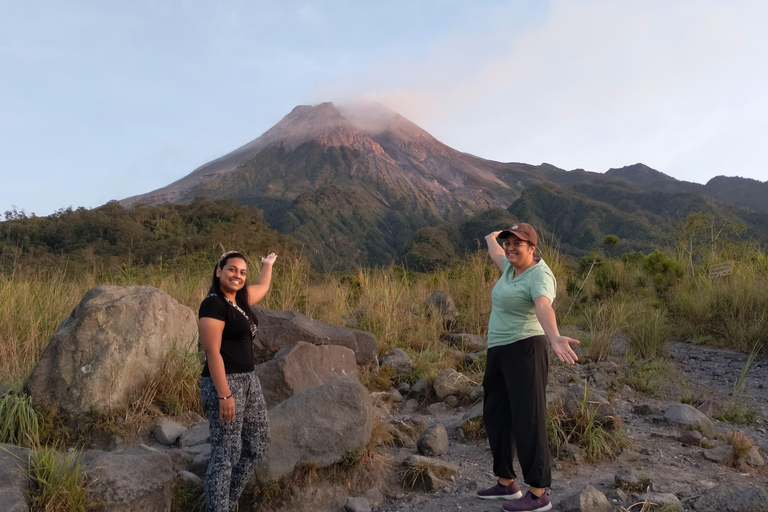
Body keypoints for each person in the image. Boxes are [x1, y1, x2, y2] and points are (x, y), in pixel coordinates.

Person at [476, 224, 579, 512]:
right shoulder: (510, 267)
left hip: (526, 349)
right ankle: (506, 482)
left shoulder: (540, 275)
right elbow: (495, 251)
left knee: (528, 418)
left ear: (532, 248)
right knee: (496, 415)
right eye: (508, 243)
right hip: (498, 350)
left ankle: (538, 493)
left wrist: (554, 335)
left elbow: (543, 305)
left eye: (516, 244)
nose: (509, 248)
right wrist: (492, 235)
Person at [199, 250, 277, 512]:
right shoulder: (213, 304)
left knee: (257, 442)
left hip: (249, 380)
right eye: (232, 269)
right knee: (226, 453)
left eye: (242, 272)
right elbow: (212, 352)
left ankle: (227, 502)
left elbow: (263, 286)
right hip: (224, 382)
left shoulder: (239, 301)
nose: (238, 276)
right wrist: (224, 394)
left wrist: (266, 264)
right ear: (219, 270)